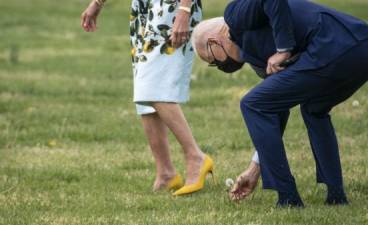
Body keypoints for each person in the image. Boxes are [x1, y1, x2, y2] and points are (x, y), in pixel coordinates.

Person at [191, 0, 368, 207]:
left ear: (213, 41)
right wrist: (255, 168)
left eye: (212, 61)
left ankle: (288, 198)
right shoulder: (258, 58)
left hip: (335, 45)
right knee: (314, 109)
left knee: (252, 103)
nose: (220, 66)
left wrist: (283, 49)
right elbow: (276, 111)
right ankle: (336, 196)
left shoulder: (234, 15)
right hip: (357, 48)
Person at [81, 0, 214, 196]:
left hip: (172, 7)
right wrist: (98, 2)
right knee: (144, 90)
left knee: (153, 86)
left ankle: (196, 157)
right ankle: (166, 173)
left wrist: (184, 10)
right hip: (144, 6)